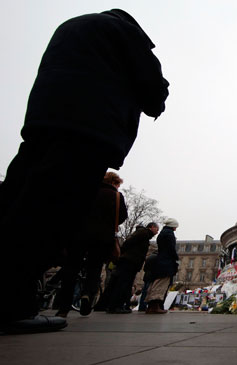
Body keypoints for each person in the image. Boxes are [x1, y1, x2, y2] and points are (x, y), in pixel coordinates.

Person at [0, 9, 168, 334]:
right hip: (89, 128)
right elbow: (152, 88)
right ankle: (13, 303)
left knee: (14, 201)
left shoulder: (71, 27)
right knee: (48, 214)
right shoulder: (123, 33)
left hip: (42, 122)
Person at [54, 171, 128, 318]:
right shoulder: (117, 196)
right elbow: (121, 217)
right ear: (115, 183)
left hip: (79, 235)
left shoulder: (86, 191)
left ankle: (63, 307)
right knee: (94, 269)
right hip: (102, 238)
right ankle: (87, 294)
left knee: (71, 268)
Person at [106, 223, 159, 314]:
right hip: (129, 261)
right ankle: (115, 306)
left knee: (124, 284)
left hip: (131, 261)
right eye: (157, 229)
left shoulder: (144, 234)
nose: (157, 232)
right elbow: (128, 242)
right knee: (122, 283)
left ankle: (117, 306)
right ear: (152, 227)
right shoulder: (143, 233)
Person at [145, 218, 179, 314]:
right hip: (166, 263)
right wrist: (176, 257)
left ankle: (151, 306)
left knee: (156, 283)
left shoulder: (162, 233)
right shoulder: (169, 234)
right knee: (161, 283)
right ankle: (155, 306)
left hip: (160, 261)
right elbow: (171, 248)